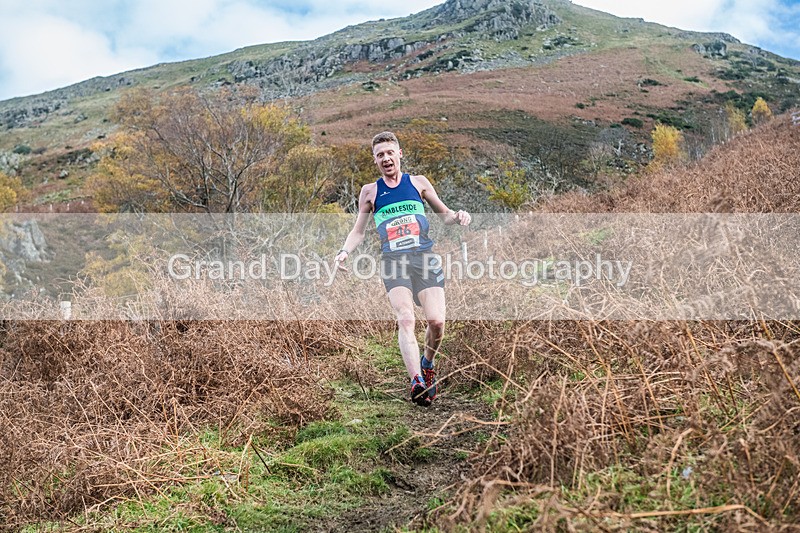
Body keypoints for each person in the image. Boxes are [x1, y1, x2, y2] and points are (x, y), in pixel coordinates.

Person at [334, 131, 471, 406]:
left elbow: (445, 216)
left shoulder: (418, 183)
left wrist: (459, 216)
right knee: (406, 319)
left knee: (437, 323)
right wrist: (343, 252)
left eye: (389, 153)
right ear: (375, 160)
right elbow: (358, 231)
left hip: (424, 258)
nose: (386, 159)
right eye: (379, 155)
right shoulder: (370, 192)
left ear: (399, 154)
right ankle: (417, 382)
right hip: (393, 262)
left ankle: (427, 364)